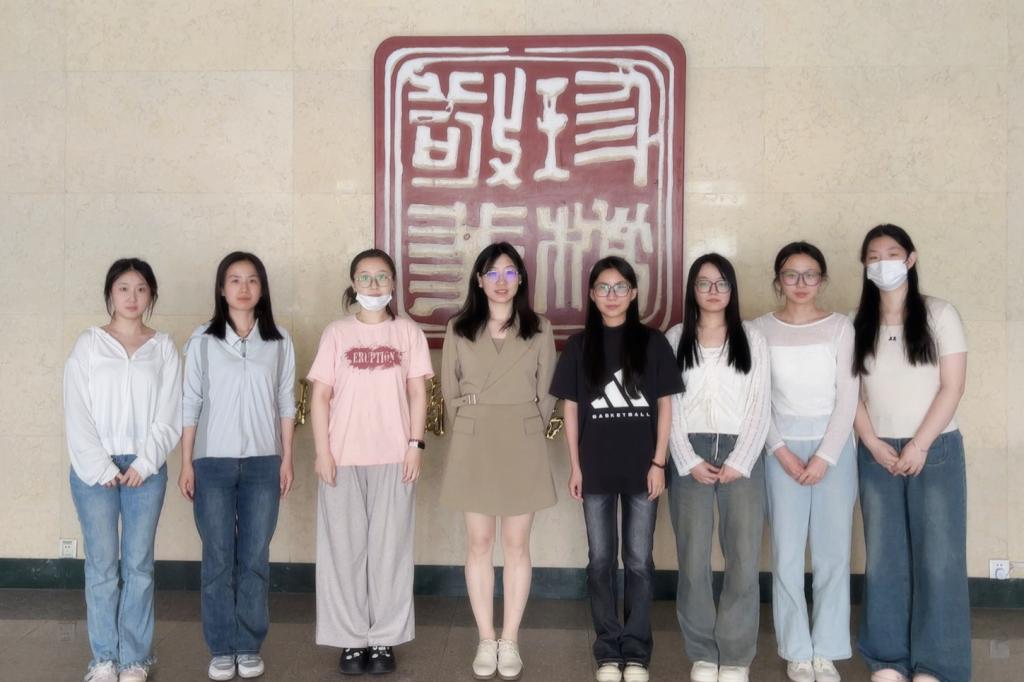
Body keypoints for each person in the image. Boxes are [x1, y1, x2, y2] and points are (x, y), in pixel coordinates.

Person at [550, 256, 682, 682]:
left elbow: (665, 405)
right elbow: (571, 409)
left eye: (620, 287)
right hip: (595, 470)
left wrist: (659, 461)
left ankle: (637, 653)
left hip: (644, 470)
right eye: (603, 287)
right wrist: (575, 466)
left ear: (634, 293)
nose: (612, 295)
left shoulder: (652, 342)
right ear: (592, 295)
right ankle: (608, 651)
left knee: (639, 561)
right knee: (601, 561)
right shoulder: (579, 346)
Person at [852, 225, 969, 682]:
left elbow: (952, 386)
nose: (883, 263)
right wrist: (871, 441)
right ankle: (888, 660)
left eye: (892, 253)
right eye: (873, 255)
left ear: (911, 259)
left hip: (935, 449)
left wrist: (920, 444)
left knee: (938, 558)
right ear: (864, 265)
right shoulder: (855, 323)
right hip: (877, 450)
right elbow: (849, 393)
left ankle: (936, 665)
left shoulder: (940, 314)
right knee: (884, 556)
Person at [308, 249, 432, 676]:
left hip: (395, 456)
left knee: (389, 550)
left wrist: (415, 444)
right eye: (365, 277)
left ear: (393, 283)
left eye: (382, 277)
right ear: (353, 283)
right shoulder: (336, 333)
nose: (374, 285)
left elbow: (417, 392)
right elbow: (320, 396)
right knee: (343, 551)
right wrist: (323, 452)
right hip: (342, 458)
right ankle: (350, 638)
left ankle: (383, 639)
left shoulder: (407, 333)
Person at [439, 242, 557, 680]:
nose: (502, 281)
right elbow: (449, 390)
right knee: (479, 542)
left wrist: (525, 423)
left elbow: (547, 391)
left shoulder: (539, 328)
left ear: (521, 279)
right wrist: (471, 424)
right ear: (479, 280)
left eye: (510, 272)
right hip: (474, 440)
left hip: (522, 438)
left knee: (517, 544)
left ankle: (510, 640)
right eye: (493, 273)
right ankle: (485, 638)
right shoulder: (459, 327)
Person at [178, 252, 296, 681]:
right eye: (234, 280)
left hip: (264, 462)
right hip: (212, 463)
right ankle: (221, 648)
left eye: (252, 280)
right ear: (221, 288)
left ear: (262, 289)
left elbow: (285, 400)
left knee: (254, 558)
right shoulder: (202, 340)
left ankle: (248, 646)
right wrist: (187, 462)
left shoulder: (278, 340)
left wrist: (287, 458)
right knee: (218, 559)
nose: (243, 288)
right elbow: (190, 401)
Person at [64, 258, 182, 682]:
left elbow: (170, 411)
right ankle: (103, 659)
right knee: (102, 566)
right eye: (123, 288)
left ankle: (134, 658)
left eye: (141, 289)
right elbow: (76, 409)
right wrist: (100, 465)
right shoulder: (89, 344)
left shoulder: (163, 347)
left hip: (144, 469)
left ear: (151, 295)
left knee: (138, 565)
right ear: (110, 293)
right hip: (94, 468)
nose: (132, 297)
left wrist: (146, 462)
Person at [751, 243, 858, 682]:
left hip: (835, 451)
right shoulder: (758, 330)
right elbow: (757, 400)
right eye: (790, 275)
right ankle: (796, 650)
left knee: (834, 554)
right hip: (780, 451)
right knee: (787, 554)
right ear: (778, 280)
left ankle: (827, 649)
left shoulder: (841, 327)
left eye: (809, 274)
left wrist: (825, 457)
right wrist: (780, 451)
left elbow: (848, 397)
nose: (800, 283)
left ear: (822, 280)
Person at [665, 254, 770, 682]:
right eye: (704, 283)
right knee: (692, 557)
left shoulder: (752, 337)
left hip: (741, 450)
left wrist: (741, 460)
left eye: (721, 283)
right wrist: (686, 458)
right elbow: (668, 404)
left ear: (732, 289)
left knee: (742, 556)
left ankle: (737, 655)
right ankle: (703, 654)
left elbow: (761, 402)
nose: (713, 291)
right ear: (692, 289)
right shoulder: (675, 338)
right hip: (689, 449)